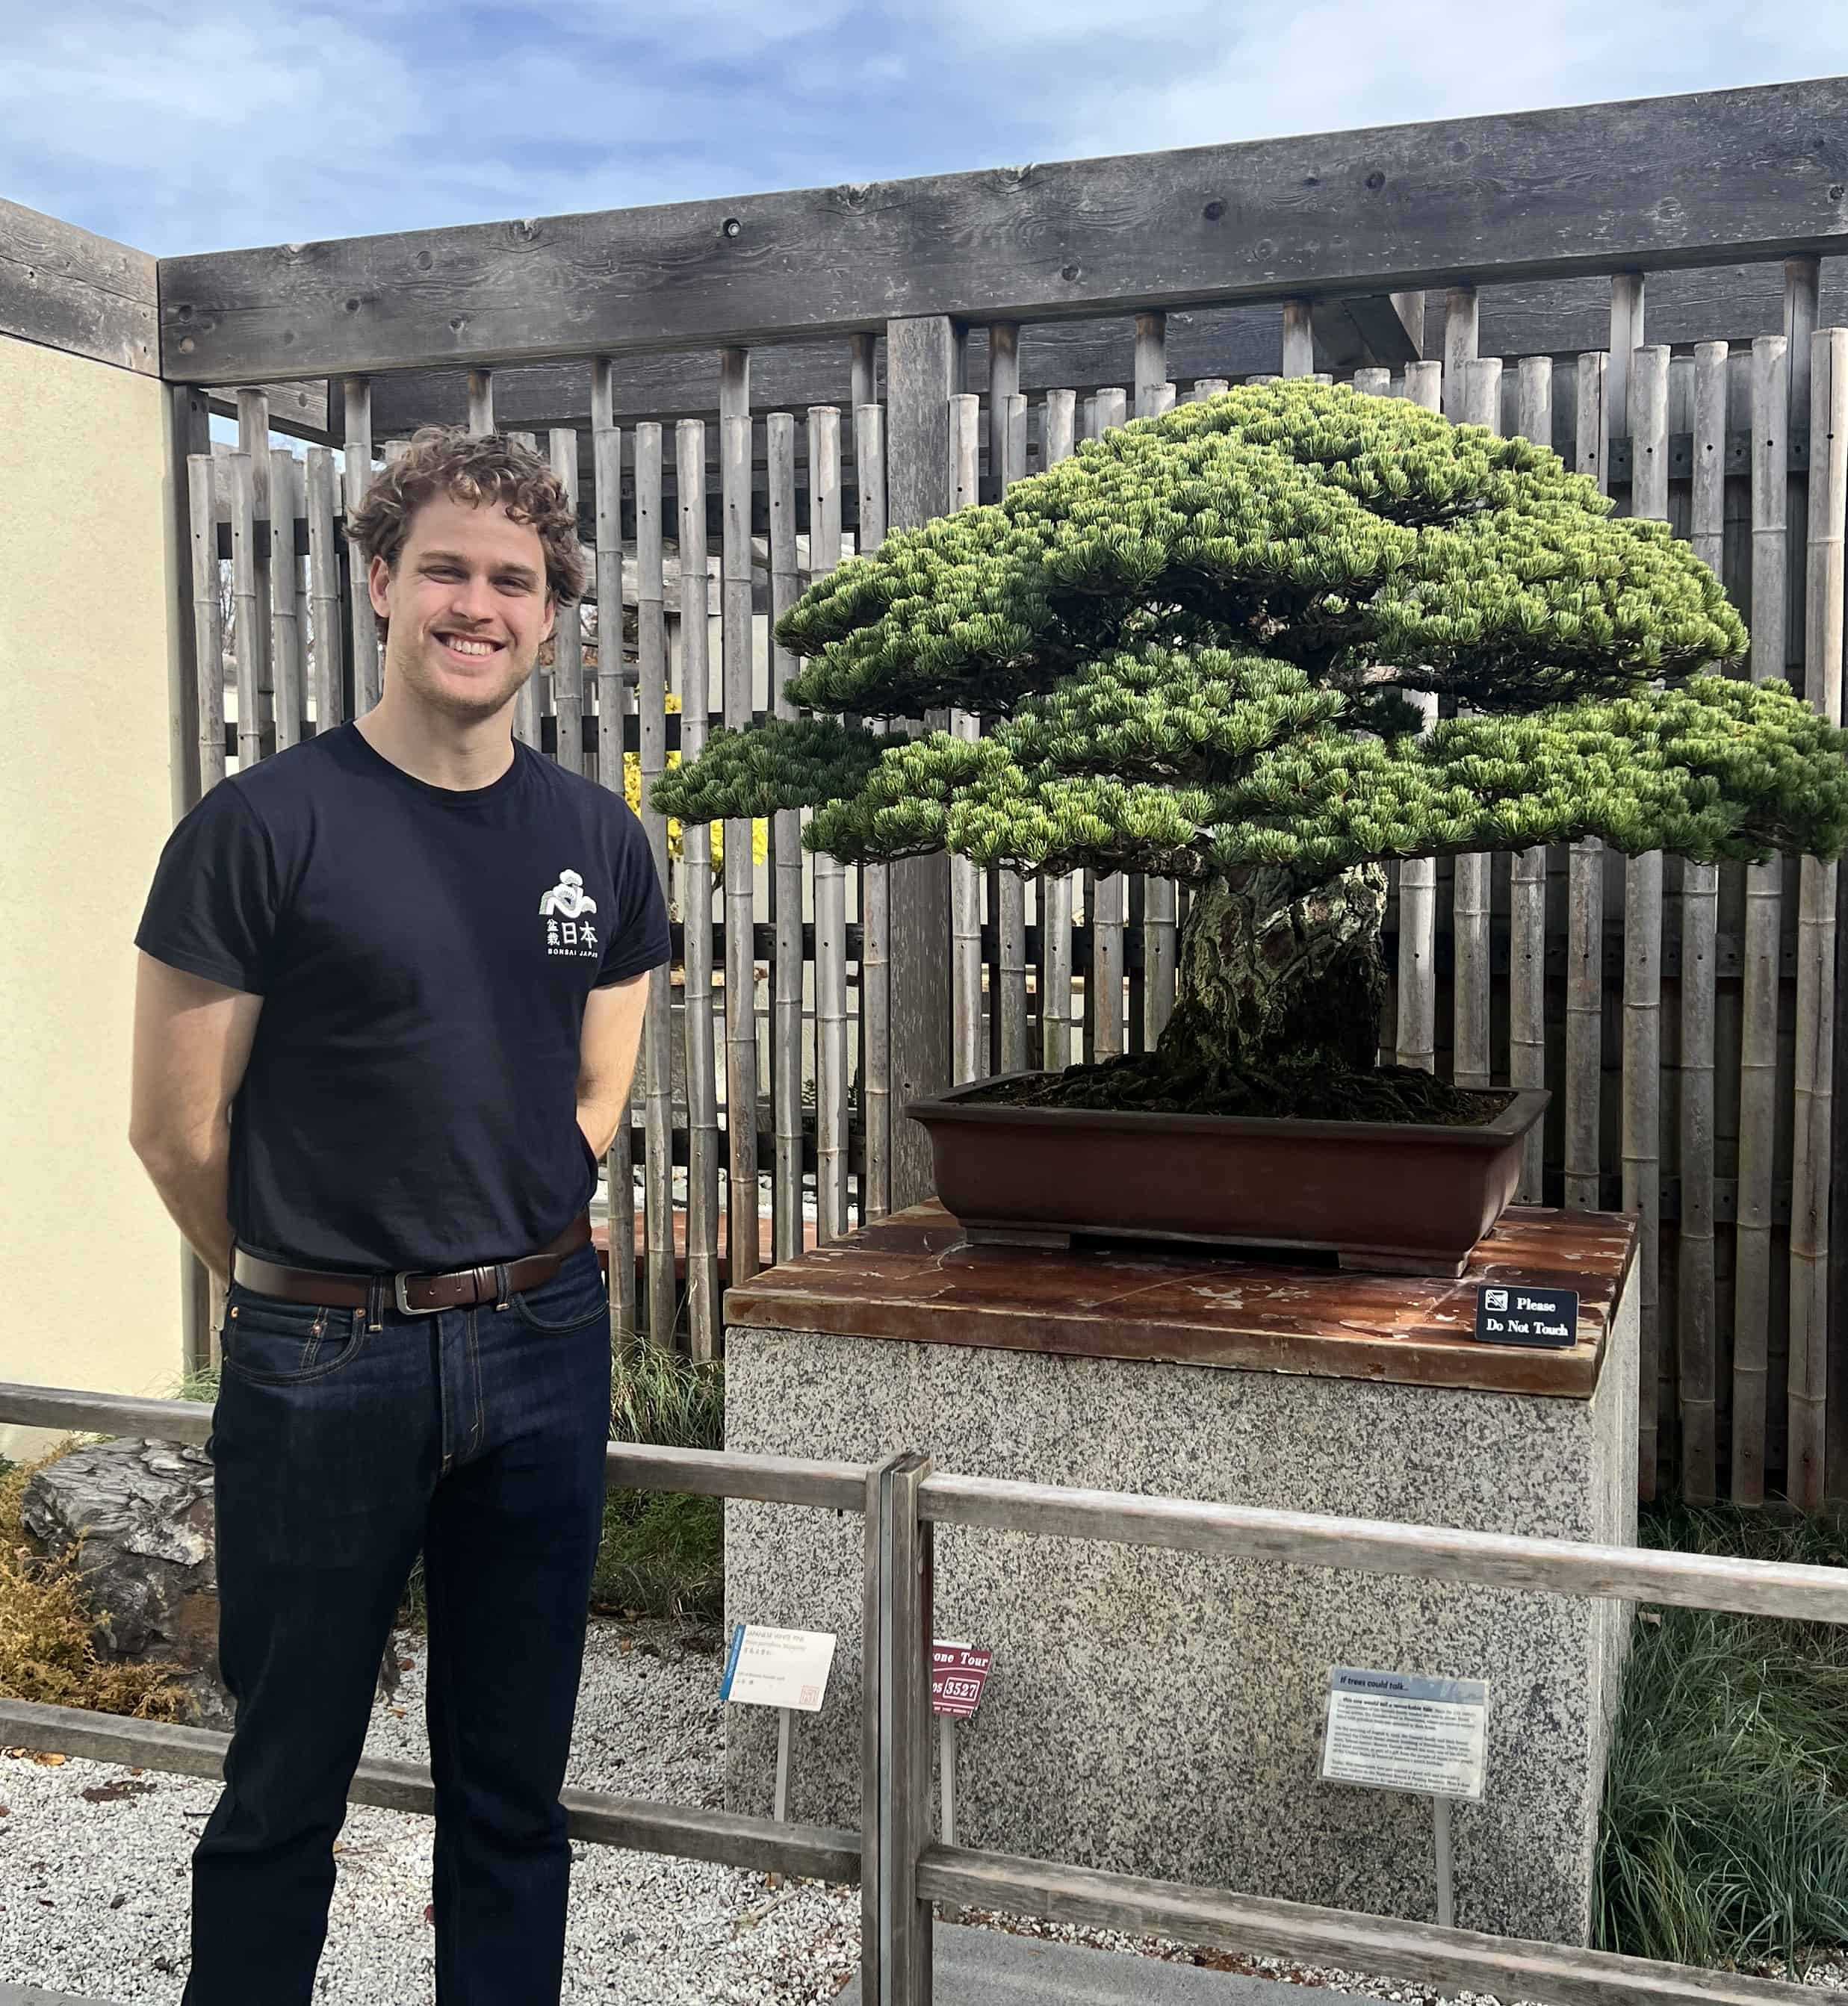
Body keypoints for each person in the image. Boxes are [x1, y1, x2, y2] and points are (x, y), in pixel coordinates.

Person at [128, 426, 669, 2005]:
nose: (476, 603)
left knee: (511, 1791)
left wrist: (507, 1259)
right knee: (282, 1783)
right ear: (381, 581)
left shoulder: (596, 845)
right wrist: (302, 1292)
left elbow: (589, 1102)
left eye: (514, 578)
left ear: (552, 612)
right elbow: (172, 1128)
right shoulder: (260, 827)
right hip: (321, 1356)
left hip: (544, 1343)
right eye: (445, 566)